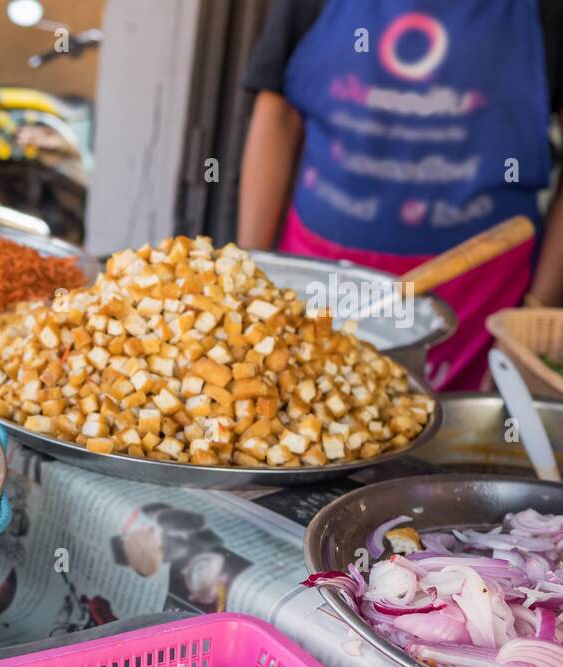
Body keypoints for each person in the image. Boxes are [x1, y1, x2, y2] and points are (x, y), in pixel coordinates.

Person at [238, 0, 563, 390]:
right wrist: (245, 280)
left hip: (478, 307)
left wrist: (532, 315)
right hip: (316, 282)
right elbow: (278, 112)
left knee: (446, 439)